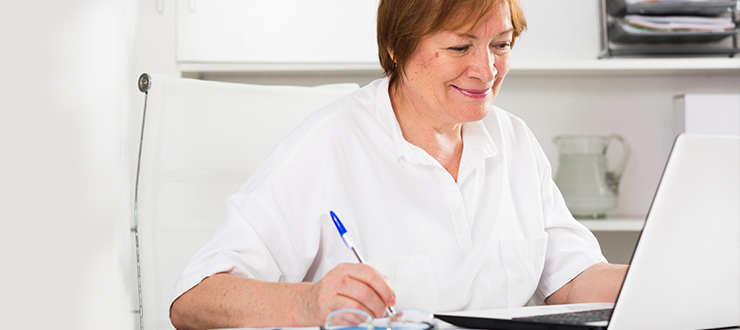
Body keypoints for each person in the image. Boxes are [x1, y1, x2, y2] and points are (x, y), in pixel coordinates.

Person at [169, 0, 628, 329]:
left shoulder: (515, 142)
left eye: (501, 45)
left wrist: (666, 271)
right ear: (395, 46)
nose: (487, 70)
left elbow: (571, 282)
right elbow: (193, 301)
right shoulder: (327, 146)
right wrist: (306, 304)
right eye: (459, 48)